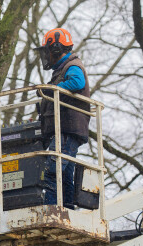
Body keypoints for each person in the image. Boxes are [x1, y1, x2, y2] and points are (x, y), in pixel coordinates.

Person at [34, 28, 90, 208]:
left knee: (53, 171)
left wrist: (51, 89)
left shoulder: (72, 66)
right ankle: (66, 209)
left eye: (48, 51)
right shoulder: (61, 69)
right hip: (66, 129)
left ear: (56, 49)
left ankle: (51, 212)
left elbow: (77, 82)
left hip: (67, 129)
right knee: (64, 176)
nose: (46, 56)